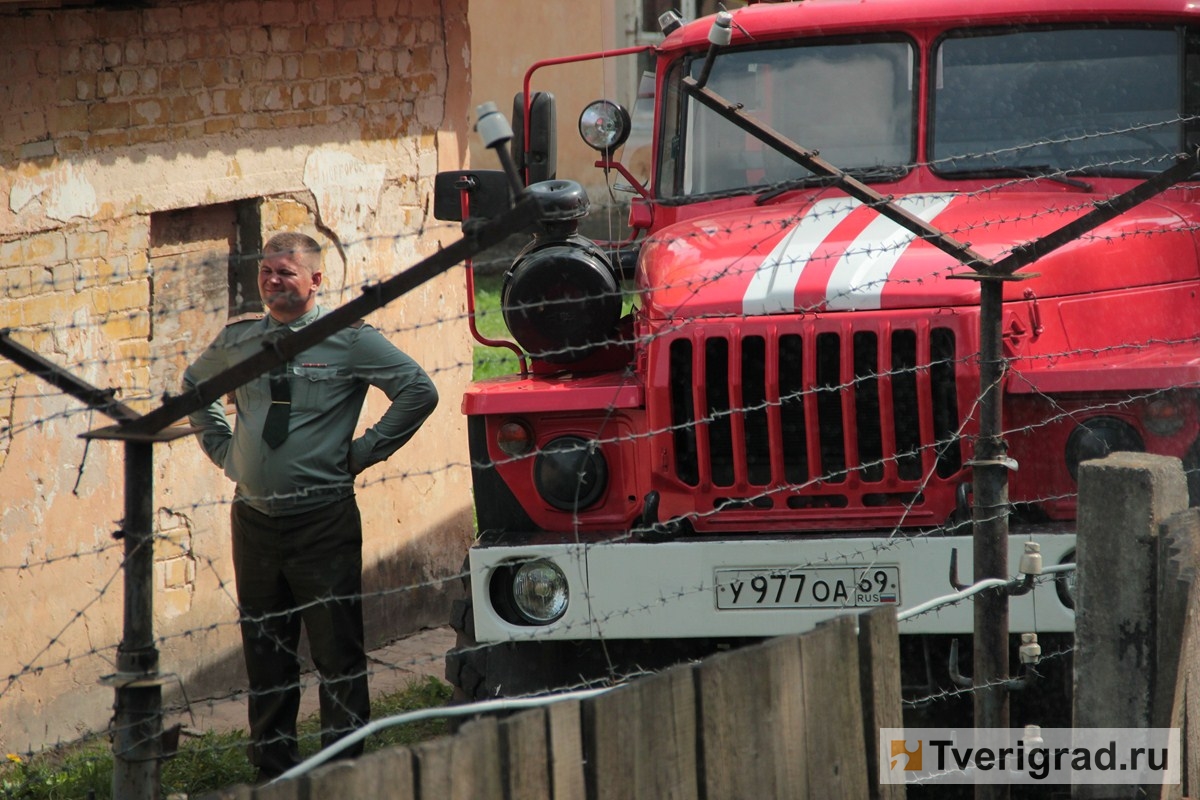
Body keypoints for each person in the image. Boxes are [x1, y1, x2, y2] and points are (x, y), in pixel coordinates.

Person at [182, 231, 438, 780]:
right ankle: (273, 772)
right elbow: (195, 389)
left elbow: (418, 390)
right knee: (266, 652)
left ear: (316, 280)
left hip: (322, 521)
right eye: (267, 272)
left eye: (286, 273)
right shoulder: (240, 340)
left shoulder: (347, 340)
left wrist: (362, 453)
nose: (273, 282)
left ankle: (340, 772)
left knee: (336, 654)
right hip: (254, 522)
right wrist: (228, 455)